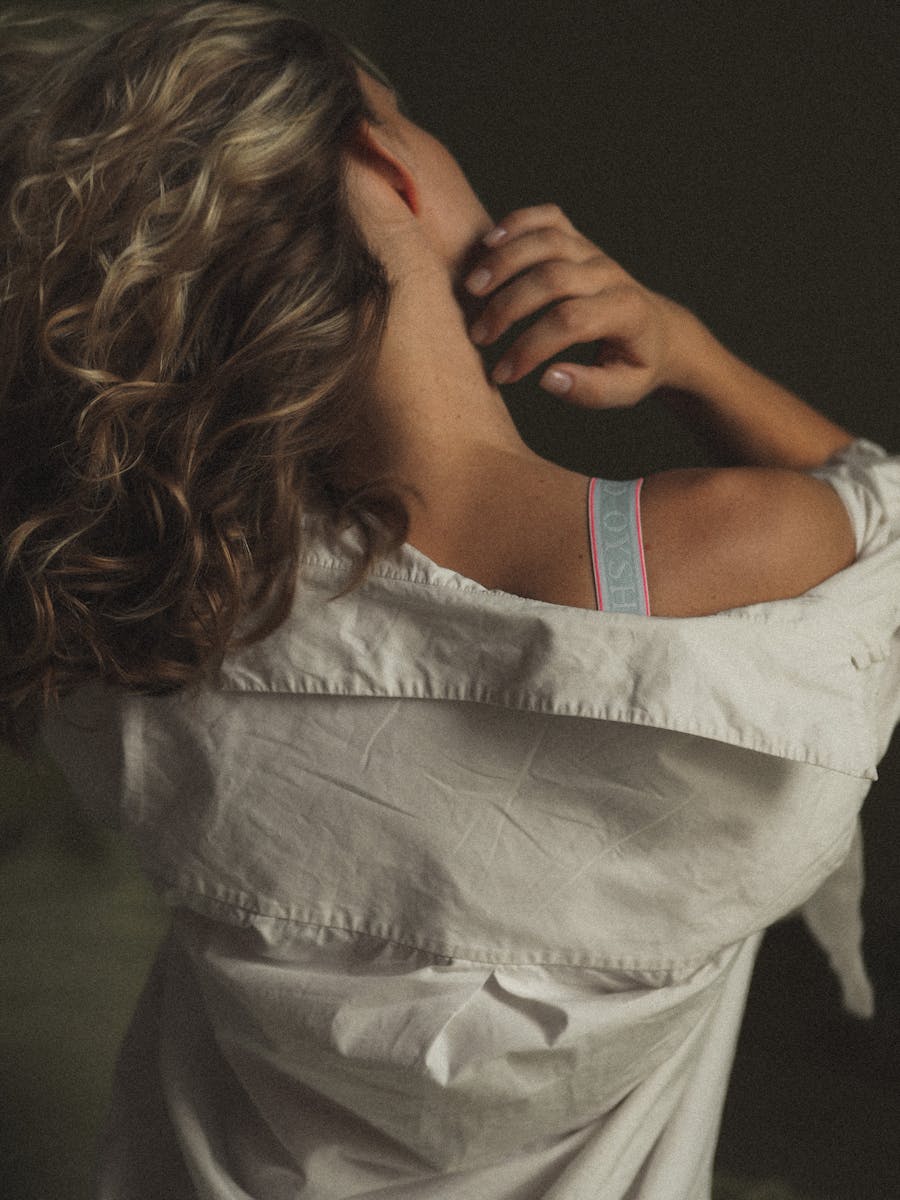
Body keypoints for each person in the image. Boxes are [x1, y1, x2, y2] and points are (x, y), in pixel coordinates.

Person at [1, 2, 897, 1197]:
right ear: (386, 162)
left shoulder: (163, 616)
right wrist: (691, 355)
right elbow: (878, 516)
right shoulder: (715, 555)